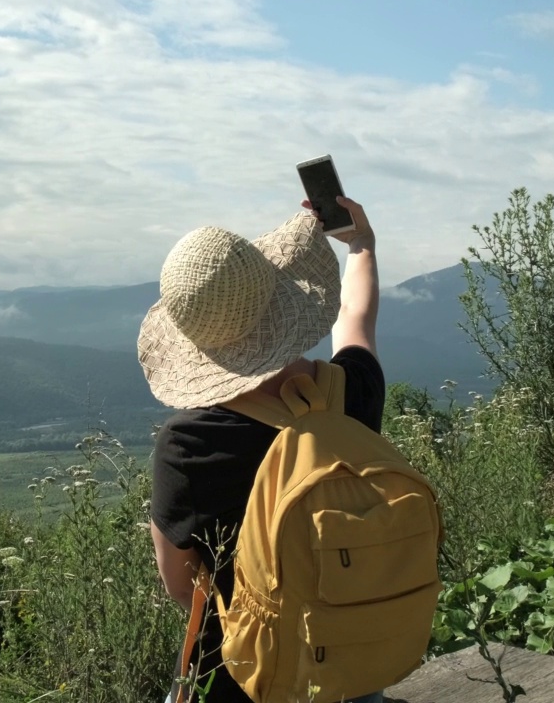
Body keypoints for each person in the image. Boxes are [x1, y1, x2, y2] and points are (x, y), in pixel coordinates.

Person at [137, 194, 385, 703]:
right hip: (349, 672)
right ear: (280, 303)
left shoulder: (188, 447)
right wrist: (361, 243)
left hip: (240, 678)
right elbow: (356, 320)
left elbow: (182, 589)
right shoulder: (350, 393)